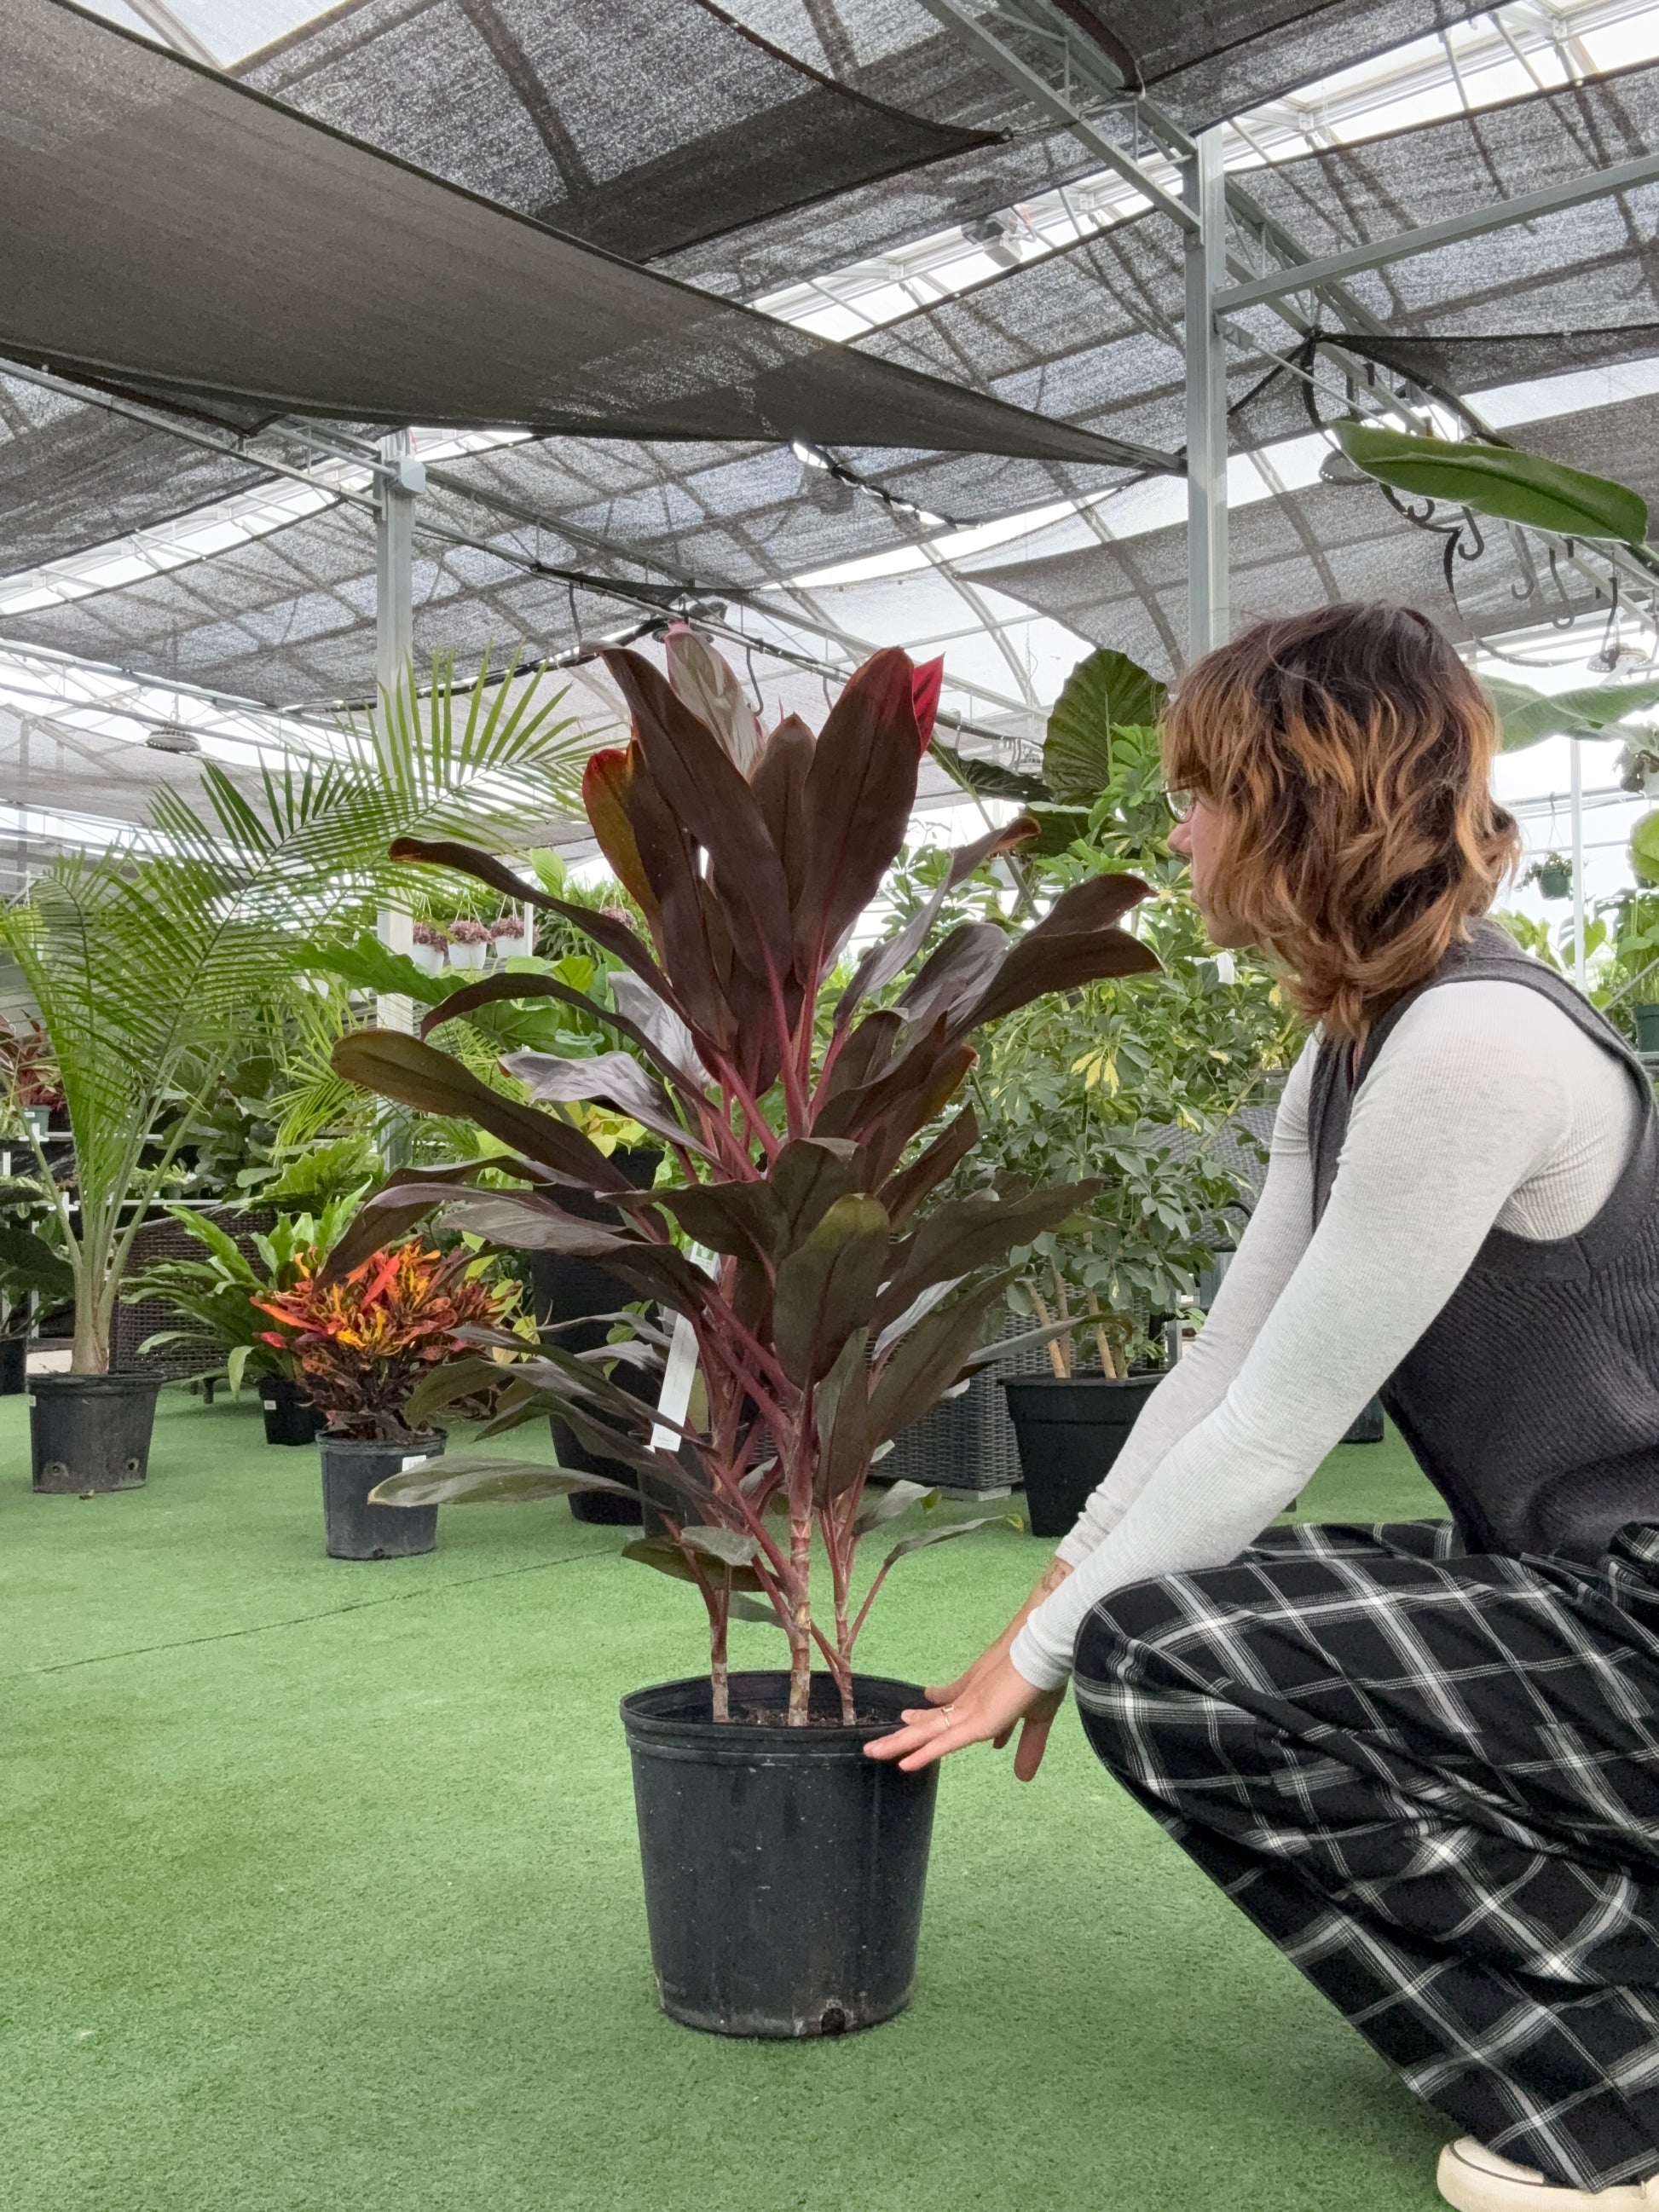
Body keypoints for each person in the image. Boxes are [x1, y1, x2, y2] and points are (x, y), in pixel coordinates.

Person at [868, 602, 1659, 2212]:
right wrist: (1062, 1578)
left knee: (1160, 1660)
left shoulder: (1476, 1041)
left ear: (1304, 800)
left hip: (1635, 1611)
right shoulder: (1364, 1041)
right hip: (1583, 1591)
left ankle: (1614, 2100)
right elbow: (1223, 1364)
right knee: (1162, 1606)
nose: (1178, 830)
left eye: (1203, 792)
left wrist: (1041, 1652)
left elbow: (1276, 1429)